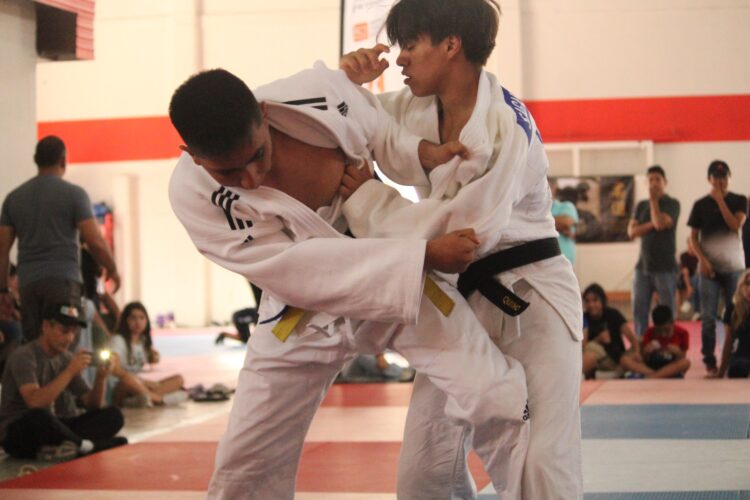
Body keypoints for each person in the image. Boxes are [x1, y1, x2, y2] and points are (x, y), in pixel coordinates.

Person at [168, 65, 530, 499]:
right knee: (245, 462)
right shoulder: (193, 196)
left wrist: (424, 154)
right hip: (303, 310)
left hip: (397, 277)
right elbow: (299, 270)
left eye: (257, 155)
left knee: (493, 396)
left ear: (264, 113)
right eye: (228, 173)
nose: (250, 179)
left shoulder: (319, 94)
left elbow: (381, 131)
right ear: (193, 156)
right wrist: (424, 254)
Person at [338, 1, 583, 498]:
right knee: (424, 473)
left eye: (411, 45)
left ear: (451, 45)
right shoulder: (413, 107)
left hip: (532, 296)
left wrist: (367, 198)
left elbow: (466, 235)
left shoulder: (501, 124)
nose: (400, 58)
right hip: (456, 299)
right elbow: (349, 125)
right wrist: (345, 86)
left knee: (541, 463)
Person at [0, 136, 121, 340]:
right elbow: (95, 242)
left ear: (36, 160)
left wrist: (3, 289)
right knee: (66, 342)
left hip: (28, 284)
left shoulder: (13, 198)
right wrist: (112, 268)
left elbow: (2, 250)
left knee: (34, 344)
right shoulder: (74, 195)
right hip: (63, 283)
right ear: (63, 161)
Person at [0, 303, 127, 459]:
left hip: (56, 426)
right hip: (20, 431)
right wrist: (70, 371)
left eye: (74, 332)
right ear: (46, 326)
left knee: (114, 415)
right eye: (65, 331)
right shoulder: (24, 356)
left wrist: (101, 378)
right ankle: (86, 446)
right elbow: (35, 402)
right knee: (39, 417)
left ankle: (65, 446)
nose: (70, 339)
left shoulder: (66, 358)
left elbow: (92, 405)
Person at [687, 160, 747, 375]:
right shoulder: (700, 204)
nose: (720, 181)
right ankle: (710, 361)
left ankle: (734, 358)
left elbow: (735, 225)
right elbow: (693, 238)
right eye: (715, 177)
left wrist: (720, 200)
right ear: (709, 179)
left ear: (730, 178)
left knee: (736, 316)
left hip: (734, 269)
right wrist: (702, 261)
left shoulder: (739, 200)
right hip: (708, 270)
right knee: (708, 318)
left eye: (723, 177)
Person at [627, 165, 680, 337]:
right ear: (646, 183)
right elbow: (631, 232)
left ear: (665, 182)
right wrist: (652, 224)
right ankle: (641, 344)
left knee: (667, 312)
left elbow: (659, 223)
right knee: (639, 310)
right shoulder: (640, 205)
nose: (654, 183)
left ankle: (669, 344)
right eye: (650, 180)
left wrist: (654, 202)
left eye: (658, 179)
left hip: (665, 268)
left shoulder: (672, 204)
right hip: (642, 267)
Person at [109, 302, 186, 407]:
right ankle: (160, 400)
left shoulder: (143, 341)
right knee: (129, 380)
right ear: (126, 320)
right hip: (120, 387)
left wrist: (154, 356)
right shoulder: (118, 340)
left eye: (142, 318)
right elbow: (115, 370)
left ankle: (140, 400)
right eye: (133, 318)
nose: (138, 322)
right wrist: (142, 382)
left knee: (179, 379)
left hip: (138, 386)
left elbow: (154, 358)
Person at [582, 283, 640, 379]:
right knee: (590, 350)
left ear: (602, 300)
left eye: (595, 300)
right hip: (596, 361)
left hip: (617, 358)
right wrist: (598, 340)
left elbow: (632, 339)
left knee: (641, 342)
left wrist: (637, 353)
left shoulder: (613, 314)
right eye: (587, 301)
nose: (591, 305)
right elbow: (582, 347)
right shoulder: (584, 318)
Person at [619, 305, 691, 379]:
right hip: (651, 367)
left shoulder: (682, 333)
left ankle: (652, 376)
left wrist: (678, 352)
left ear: (672, 323)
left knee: (686, 363)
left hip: (671, 366)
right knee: (624, 360)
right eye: (659, 331)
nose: (663, 334)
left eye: (667, 330)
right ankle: (658, 375)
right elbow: (643, 358)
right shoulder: (650, 332)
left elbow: (682, 357)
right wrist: (645, 352)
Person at [716, 269, 750, 379]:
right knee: (737, 368)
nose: (749, 289)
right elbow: (728, 341)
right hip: (741, 357)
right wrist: (721, 372)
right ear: (740, 286)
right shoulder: (732, 308)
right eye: (747, 284)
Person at [549, 178, 579, 265]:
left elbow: (566, 222)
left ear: (554, 189)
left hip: (564, 261)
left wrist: (536, 222)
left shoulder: (567, 206)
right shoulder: (533, 211)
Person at [677, 237, 701, 319]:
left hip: (698, 279)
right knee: (696, 281)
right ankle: (697, 311)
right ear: (687, 245)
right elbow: (685, 272)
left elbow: (699, 271)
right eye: (690, 244)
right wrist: (688, 287)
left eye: (693, 244)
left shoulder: (699, 256)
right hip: (685, 279)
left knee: (696, 280)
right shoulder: (684, 255)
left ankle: (689, 301)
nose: (691, 247)